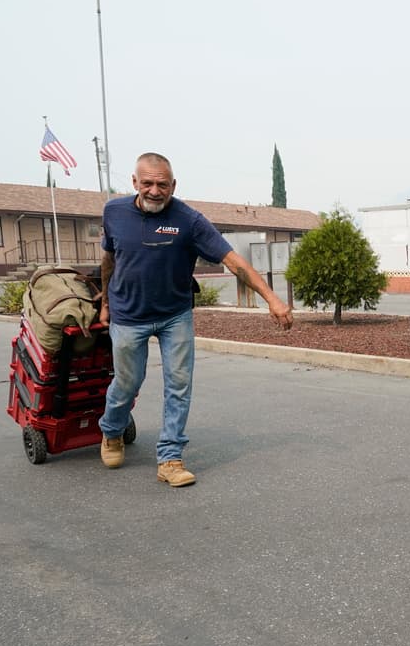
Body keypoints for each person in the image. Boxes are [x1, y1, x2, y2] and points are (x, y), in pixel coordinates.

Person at [97, 152, 293, 487]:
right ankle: (112, 431)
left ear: (173, 185)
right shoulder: (114, 212)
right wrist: (104, 302)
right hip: (129, 314)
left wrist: (272, 298)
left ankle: (170, 458)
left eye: (162, 184)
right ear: (135, 183)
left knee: (179, 385)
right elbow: (109, 258)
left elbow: (234, 262)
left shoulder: (189, 220)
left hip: (175, 315)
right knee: (128, 382)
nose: (155, 190)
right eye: (147, 183)